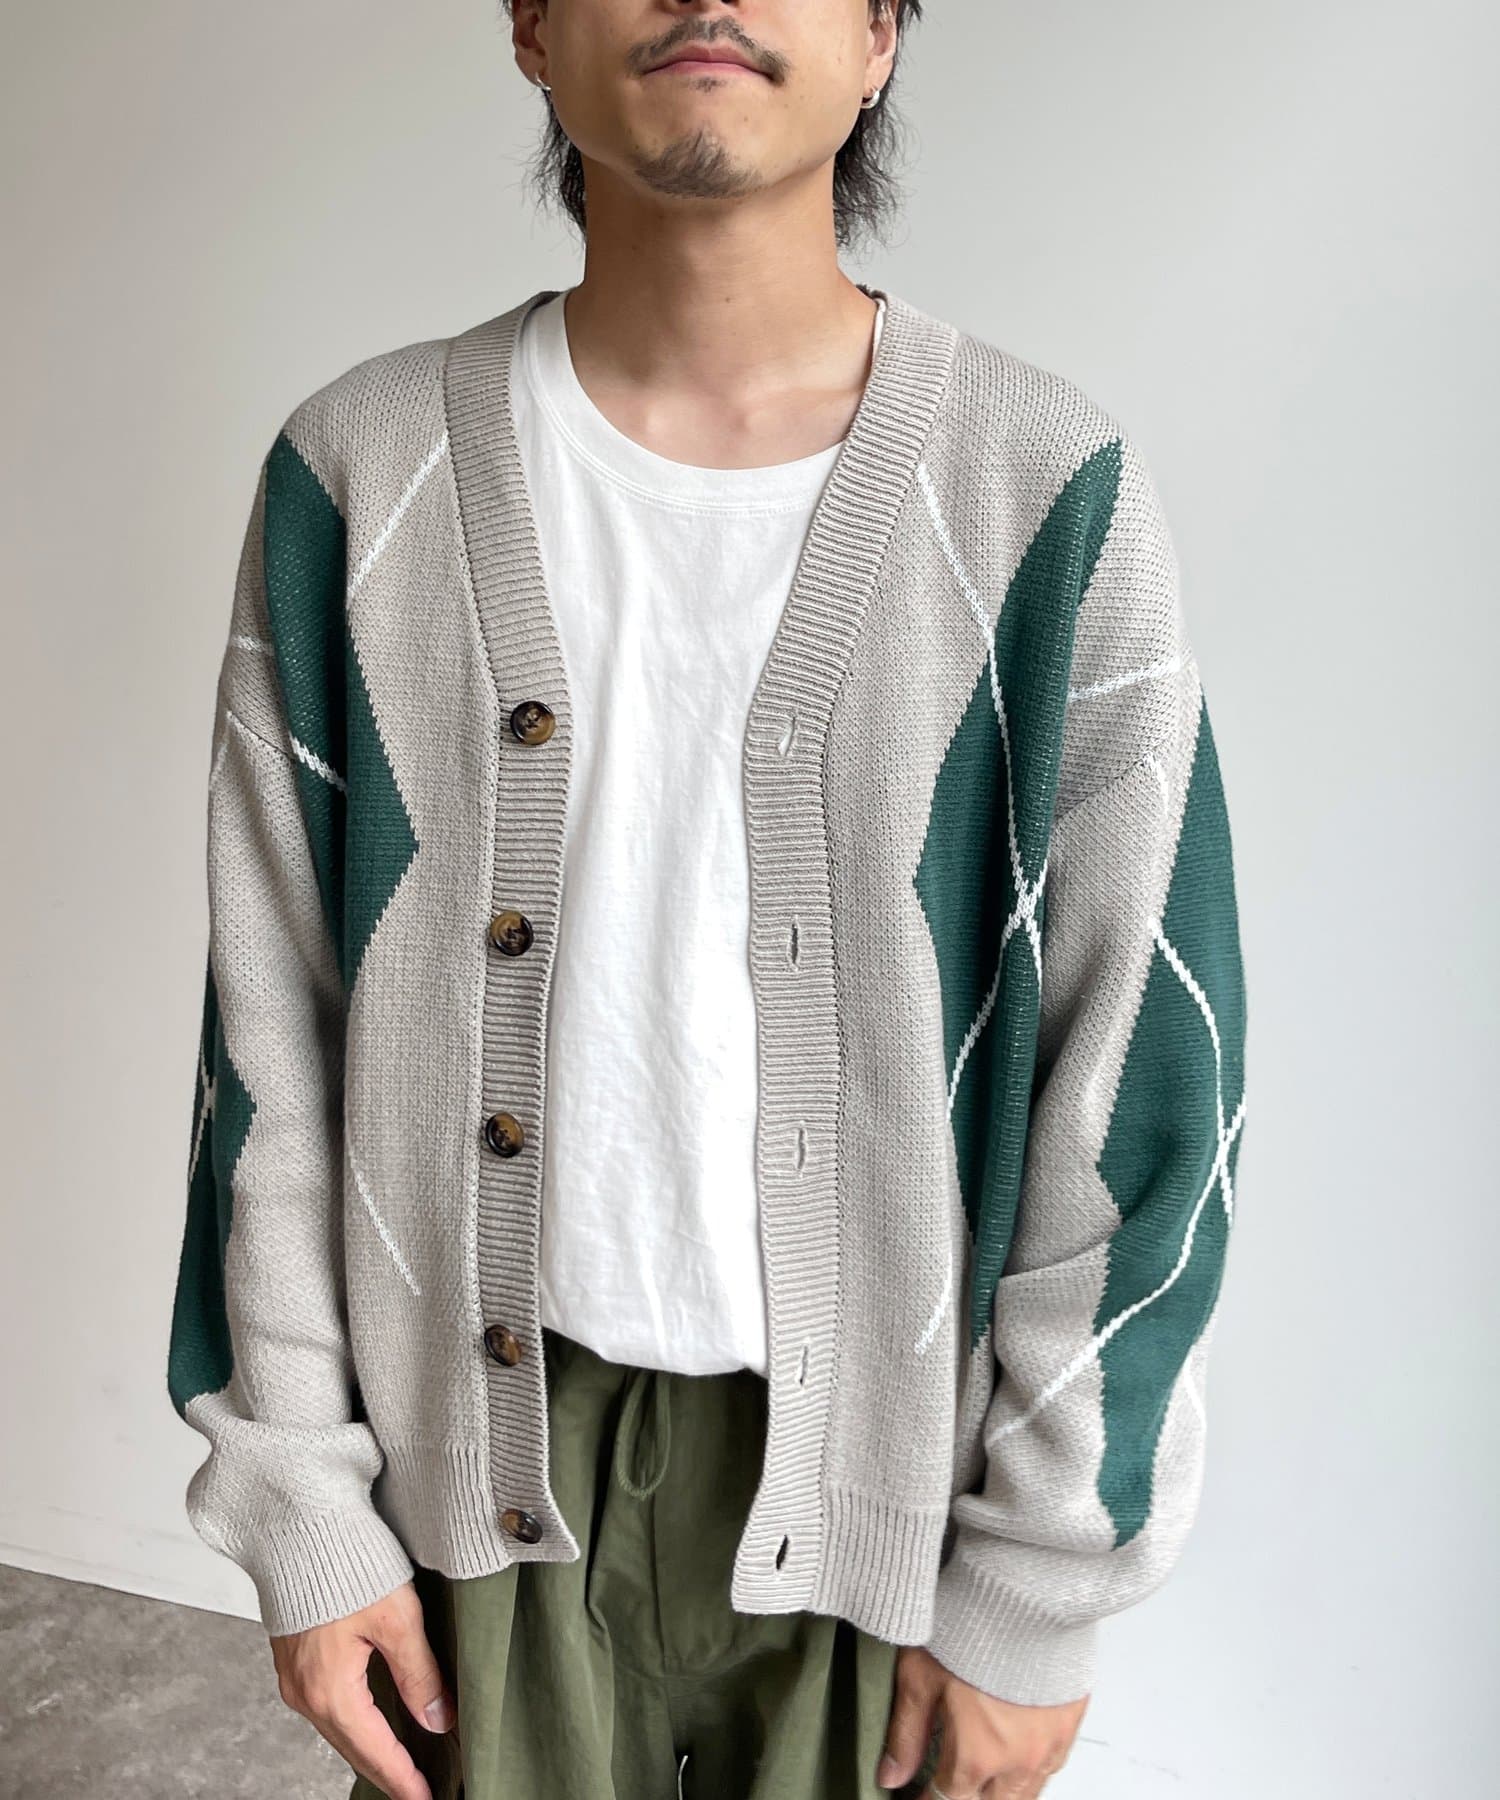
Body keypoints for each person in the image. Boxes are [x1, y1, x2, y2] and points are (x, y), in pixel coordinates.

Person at [165, 3, 1249, 1797]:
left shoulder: (1043, 489)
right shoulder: (362, 472)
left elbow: (1147, 1070)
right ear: (530, 28)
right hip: (469, 1468)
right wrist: (298, 1494)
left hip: (897, 1495)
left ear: (882, 35)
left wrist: (1041, 1583)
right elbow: (268, 1031)